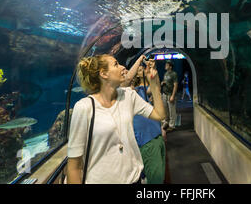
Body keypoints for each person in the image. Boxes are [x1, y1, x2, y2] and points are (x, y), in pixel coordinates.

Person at [66, 54, 165, 184]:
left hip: (133, 180)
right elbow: (74, 166)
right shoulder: (84, 107)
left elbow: (159, 115)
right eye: (116, 64)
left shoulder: (129, 96)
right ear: (104, 74)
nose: (123, 67)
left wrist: (153, 84)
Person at [131, 64, 166, 184]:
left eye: (141, 69)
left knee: (158, 176)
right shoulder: (132, 92)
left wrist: (152, 72)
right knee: (155, 179)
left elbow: (155, 88)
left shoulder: (143, 89)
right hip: (146, 141)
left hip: (156, 136)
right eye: (138, 70)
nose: (140, 71)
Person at [161, 60, 178, 131]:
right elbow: (166, 81)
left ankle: (172, 126)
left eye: (167, 65)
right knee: (166, 110)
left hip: (170, 94)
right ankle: (166, 123)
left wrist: (173, 96)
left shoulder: (174, 74)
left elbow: (175, 85)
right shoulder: (165, 74)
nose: (165, 65)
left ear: (170, 66)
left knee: (172, 111)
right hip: (164, 94)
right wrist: (163, 83)